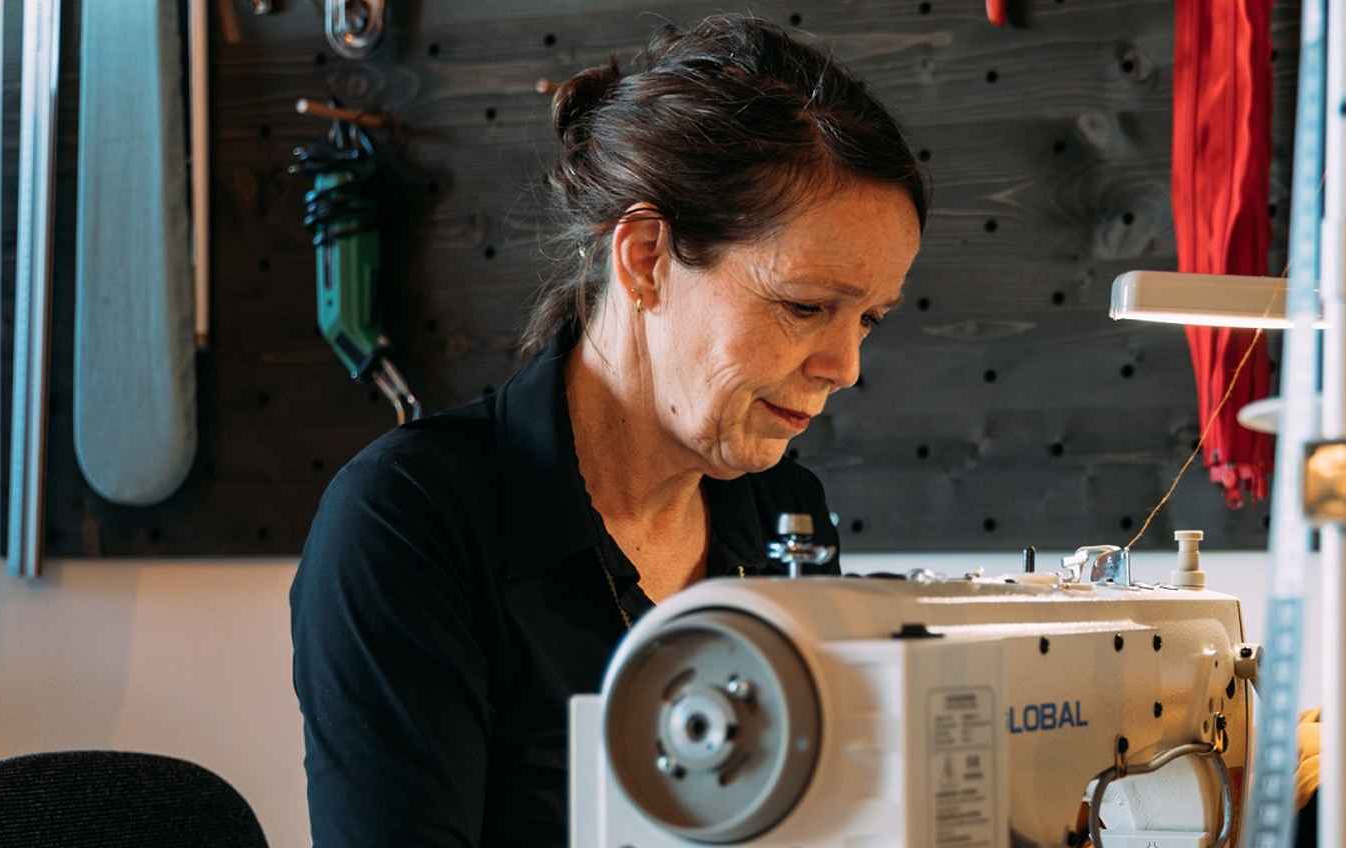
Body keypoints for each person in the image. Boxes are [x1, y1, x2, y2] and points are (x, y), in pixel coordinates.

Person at [289, 16, 927, 846]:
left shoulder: (782, 512)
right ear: (645, 258)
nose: (844, 366)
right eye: (805, 306)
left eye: (869, 318)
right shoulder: (408, 521)